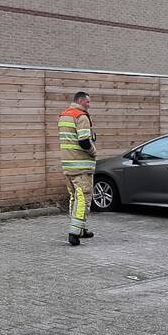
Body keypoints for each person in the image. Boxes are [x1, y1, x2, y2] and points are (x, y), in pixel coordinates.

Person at [58, 91, 97, 246]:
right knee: (83, 199)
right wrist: (94, 152)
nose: (89, 105)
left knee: (74, 198)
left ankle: (79, 229)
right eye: (88, 102)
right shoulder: (81, 116)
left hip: (68, 165)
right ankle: (74, 233)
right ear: (81, 101)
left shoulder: (64, 116)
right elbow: (84, 142)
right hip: (81, 167)